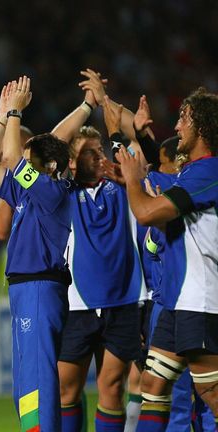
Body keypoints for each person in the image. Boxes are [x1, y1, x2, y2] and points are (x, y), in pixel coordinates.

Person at [116, 88, 218, 431]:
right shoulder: (192, 174)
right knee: (153, 387)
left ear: (201, 126)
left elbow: (146, 213)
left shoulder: (210, 172)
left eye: (183, 119)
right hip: (178, 303)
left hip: (201, 301)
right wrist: (135, 143)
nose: (176, 127)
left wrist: (132, 179)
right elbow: (158, 179)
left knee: (211, 392)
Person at [49, 70, 145, 432]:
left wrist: (105, 100)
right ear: (71, 163)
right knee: (66, 389)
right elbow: (52, 142)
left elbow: (136, 135)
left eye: (100, 149)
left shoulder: (125, 183)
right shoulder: (62, 194)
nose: (100, 156)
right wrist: (87, 107)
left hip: (122, 304)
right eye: (89, 153)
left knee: (111, 389)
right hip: (77, 305)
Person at [0, 77, 72, 431]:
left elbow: (11, 157)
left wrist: (17, 111)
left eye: (30, 164)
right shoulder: (27, 195)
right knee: (25, 382)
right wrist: (2, 117)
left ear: (47, 168)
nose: (20, 169)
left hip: (39, 288)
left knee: (36, 379)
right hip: (24, 289)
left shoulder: (51, 192)